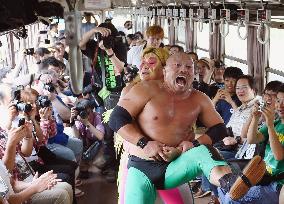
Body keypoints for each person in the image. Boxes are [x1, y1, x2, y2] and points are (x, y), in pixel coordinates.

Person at [109, 52, 266, 203]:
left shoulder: (199, 98)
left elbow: (219, 128)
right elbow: (116, 119)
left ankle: (231, 183)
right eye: (177, 65)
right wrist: (144, 143)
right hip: (141, 166)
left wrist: (192, 145)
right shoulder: (145, 89)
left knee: (204, 151)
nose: (183, 69)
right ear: (164, 71)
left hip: (176, 165)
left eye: (189, 67)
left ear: (193, 74)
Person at [218, 84, 284, 204]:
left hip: (276, 184)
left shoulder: (272, 124)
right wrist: (255, 117)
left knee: (231, 198)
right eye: (279, 101)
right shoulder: (277, 123)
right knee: (222, 186)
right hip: (260, 175)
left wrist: (269, 125)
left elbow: (279, 156)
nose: (280, 105)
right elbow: (251, 139)